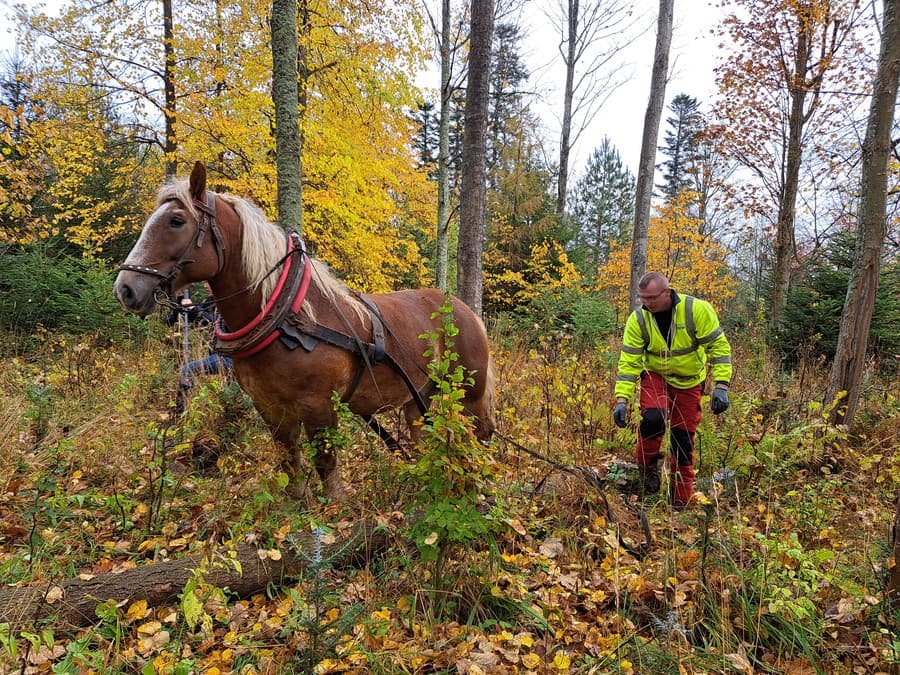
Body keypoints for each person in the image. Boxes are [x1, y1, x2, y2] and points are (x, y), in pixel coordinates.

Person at [612, 272, 732, 509]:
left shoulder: (697, 310)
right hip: (656, 376)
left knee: (682, 439)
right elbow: (629, 363)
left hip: (689, 381)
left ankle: (680, 499)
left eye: (651, 298)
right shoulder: (638, 320)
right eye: (642, 298)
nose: (646, 303)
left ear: (667, 293)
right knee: (653, 420)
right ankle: (647, 472)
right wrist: (621, 399)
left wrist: (721, 386)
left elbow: (718, 347)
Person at [164, 284, 232, 415]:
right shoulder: (210, 302)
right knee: (231, 392)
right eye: (205, 283)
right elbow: (177, 321)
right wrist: (180, 303)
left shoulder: (226, 302)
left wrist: (194, 308)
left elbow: (212, 322)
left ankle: (180, 412)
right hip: (220, 355)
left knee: (187, 369)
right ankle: (232, 417)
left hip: (228, 356)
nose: (206, 286)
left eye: (210, 283)